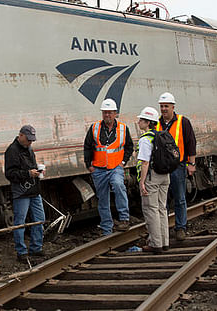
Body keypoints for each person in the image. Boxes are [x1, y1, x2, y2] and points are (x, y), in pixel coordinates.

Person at [84, 98, 134, 235]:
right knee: (102, 199)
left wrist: (123, 162)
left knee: (118, 185)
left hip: (115, 167)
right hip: (98, 169)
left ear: (115, 113)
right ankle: (107, 228)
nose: (107, 115)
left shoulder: (123, 128)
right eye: (105, 113)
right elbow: (87, 146)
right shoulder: (94, 128)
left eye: (110, 113)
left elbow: (129, 146)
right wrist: (89, 165)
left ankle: (124, 219)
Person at [156, 92, 197, 241]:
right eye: (162, 106)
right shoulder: (157, 123)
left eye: (166, 106)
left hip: (178, 166)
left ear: (173, 107)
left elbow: (190, 142)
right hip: (160, 168)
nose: (164, 109)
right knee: (162, 200)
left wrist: (191, 163)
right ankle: (163, 229)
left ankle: (180, 227)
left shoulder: (182, 122)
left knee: (179, 198)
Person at [4, 125, 45, 263]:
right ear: (20, 136)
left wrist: (37, 171)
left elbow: (28, 166)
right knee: (20, 222)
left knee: (39, 218)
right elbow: (9, 174)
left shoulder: (28, 148)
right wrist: (28, 174)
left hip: (33, 189)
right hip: (21, 191)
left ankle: (36, 248)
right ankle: (21, 251)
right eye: (28, 140)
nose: (30, 142)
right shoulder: (12, 151)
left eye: (31, 140)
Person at [137, 107, 170, 254]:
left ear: (148, 122)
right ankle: (165, 242)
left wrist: (142, 182)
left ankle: (156, 244)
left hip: (152, 177)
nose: (138, 122)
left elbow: (144, 163)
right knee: (162, 209)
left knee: (151, 209)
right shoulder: (162, 135)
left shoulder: (145, 139)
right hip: (165, 176)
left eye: (141, 120)